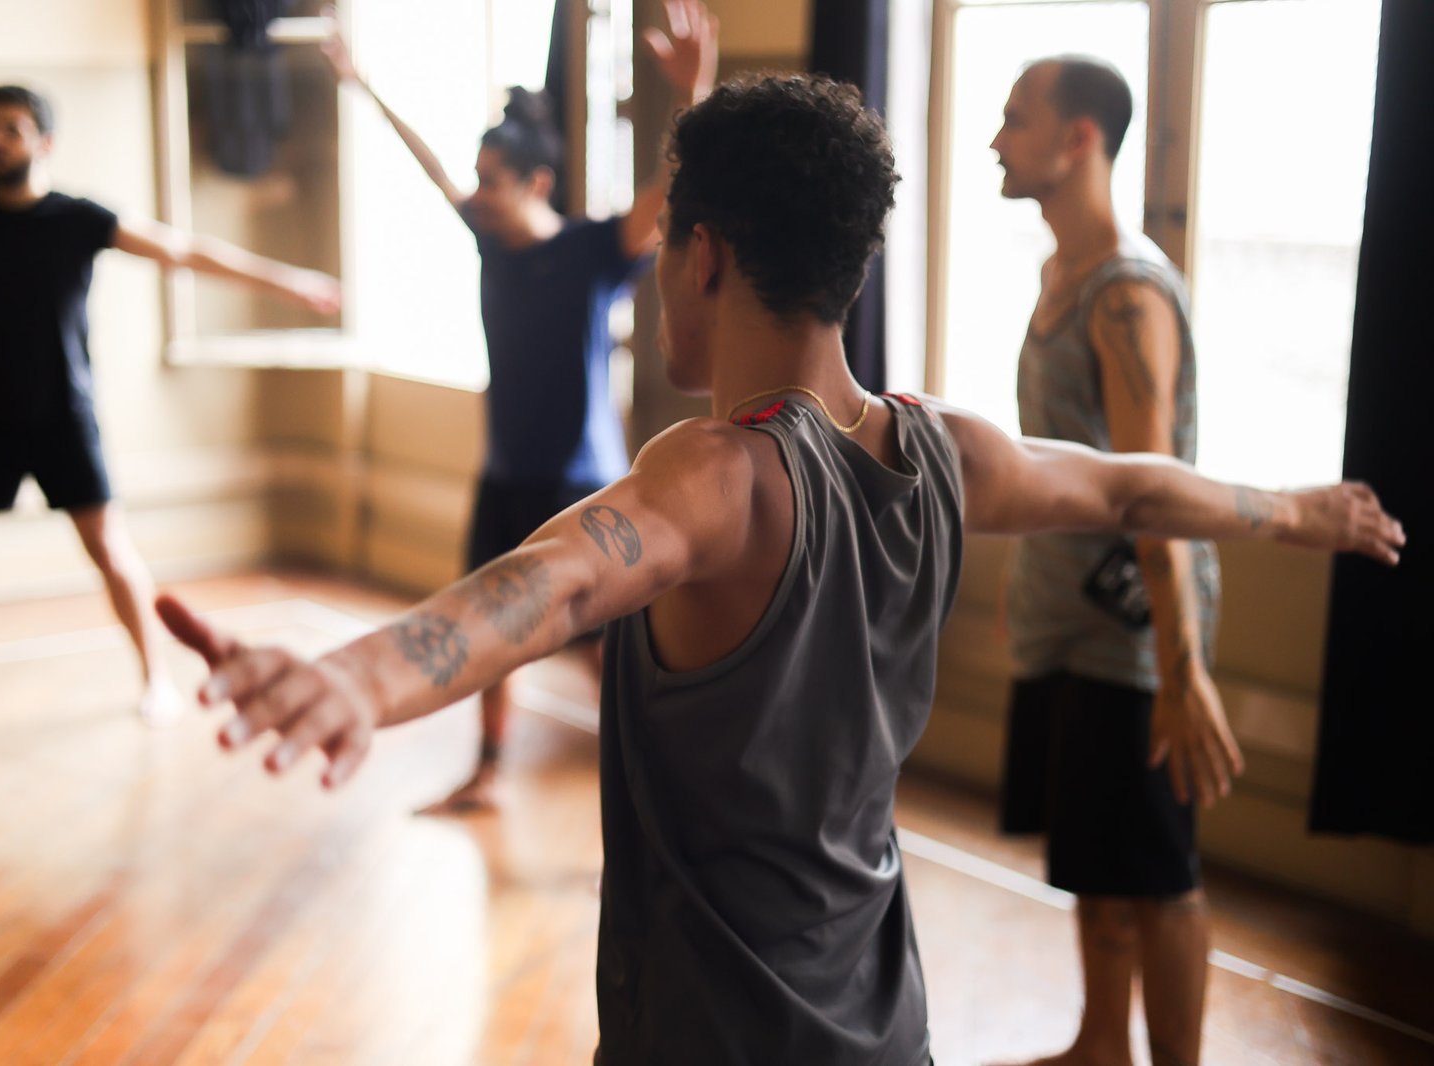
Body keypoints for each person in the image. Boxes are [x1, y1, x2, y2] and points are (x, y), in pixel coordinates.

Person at [156, 74, 1403, 1065]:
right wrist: (1292, 508)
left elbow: (549, 587)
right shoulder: (946, 449)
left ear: (700, 256)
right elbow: (1130, 484)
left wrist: (360, 680)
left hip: (717, 1036)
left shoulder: (720, 471)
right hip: (879, 1018)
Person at [0, 84, 342, 727]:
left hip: (63, 417)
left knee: (111, 552)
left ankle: (156, 679)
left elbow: (182, 251)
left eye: (11, 130)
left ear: (44, 144)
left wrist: (287, 281)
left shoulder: (79, 218)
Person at [319, 0, 718, 813]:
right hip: (503, 475)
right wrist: (361, 84)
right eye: (476, 179)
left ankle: (656, 791)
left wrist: (696, 89)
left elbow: (674, 184)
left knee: (607, 654)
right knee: (491, 631)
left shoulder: (594, 253)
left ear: (537, 182)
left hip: (578, 485)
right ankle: (489, 769)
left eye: (491, 181)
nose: (475, 192)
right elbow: (424, 160)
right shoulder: (486, 238)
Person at [988, 56, 1235, 1066]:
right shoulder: (1061, 275)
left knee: (1157, 868)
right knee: (1093, 852)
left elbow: (1152, 493)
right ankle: (1101, 1042)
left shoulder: (1127, 294)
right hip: (1068, 622)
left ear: (1077, 138)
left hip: (1135, 632)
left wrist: (1181, 674)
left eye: (1014, 120)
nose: (997, 140)